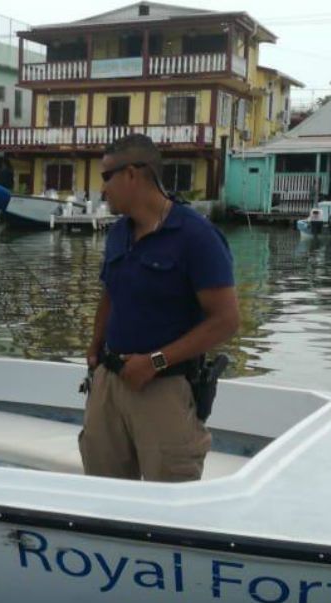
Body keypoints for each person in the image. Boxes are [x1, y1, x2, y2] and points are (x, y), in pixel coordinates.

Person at [80, 135, 240, 482]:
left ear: (134, 174)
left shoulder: (196, 236)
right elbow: (110, 293)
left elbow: (226, 321)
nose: (102, 189)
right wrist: (95, 348)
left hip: (163, 388)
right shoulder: (118, 233)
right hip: (110, 381)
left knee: (168, 499)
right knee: (101, 493)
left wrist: (155, 361)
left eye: (107, 176)